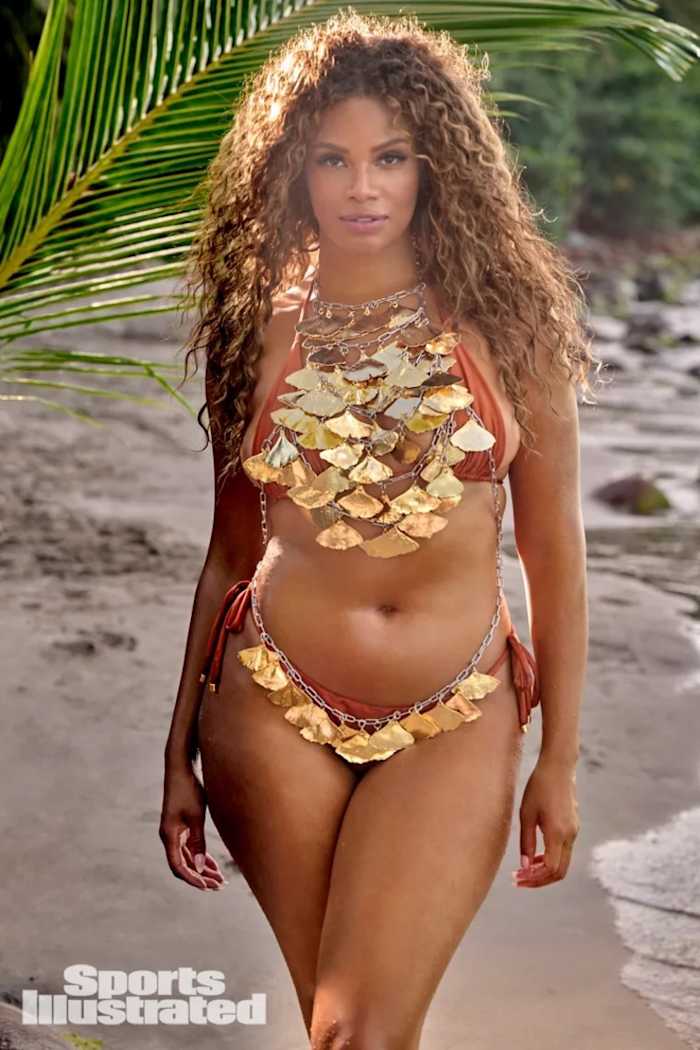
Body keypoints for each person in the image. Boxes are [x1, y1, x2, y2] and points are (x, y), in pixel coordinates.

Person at [160, 10, 594, 1047]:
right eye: (333, 158)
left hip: (456, 710)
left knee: (358, 1029)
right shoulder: (254, 328)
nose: (362, 186)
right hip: (268, 705)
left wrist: (560, 762)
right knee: (344, 1034)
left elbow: (555, 561)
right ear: (291, 169)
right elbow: (229, 550)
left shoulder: (508, 325)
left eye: (390, 157)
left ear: (434, 165)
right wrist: (175, 752)